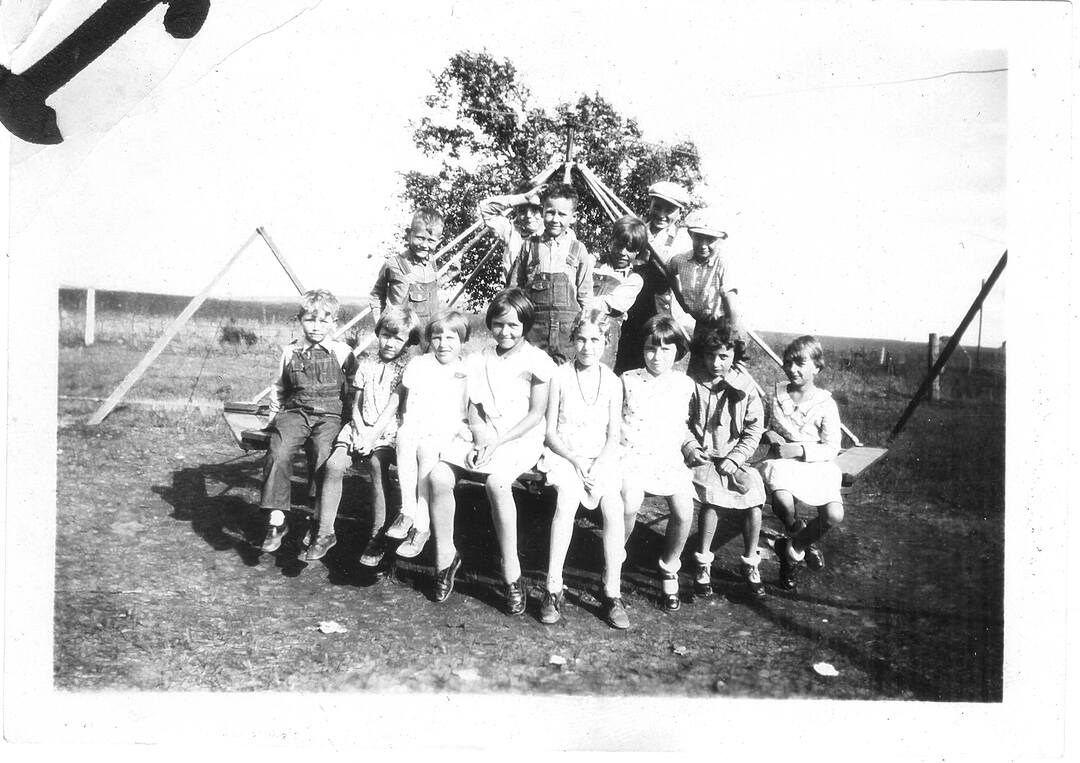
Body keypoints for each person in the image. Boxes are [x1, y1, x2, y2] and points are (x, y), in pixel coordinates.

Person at [427, 288, 555, 614]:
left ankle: (511, 573)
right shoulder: (480, 359)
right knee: (439, 475)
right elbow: (474, 406)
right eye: (498, 325)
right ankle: (445, 558)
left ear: (525, 323)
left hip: (520, 438)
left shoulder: (537, 361)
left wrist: (497, 442)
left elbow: (536, 414)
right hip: (483, 435)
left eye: (513, 325)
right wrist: (480, 439)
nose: (505, 332)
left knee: (497, 482)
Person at [535, 308, 628, 629]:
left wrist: (599, 465)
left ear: (606, 342)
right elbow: (550, 432)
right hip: (565, 456)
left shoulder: (614, 382)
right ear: (573, 340)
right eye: (582, 339)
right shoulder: (559, 376)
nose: (588, 347)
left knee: (615, 506)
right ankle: (552, 587)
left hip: (599, 458)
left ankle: (612, 591)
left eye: (596, 340)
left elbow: (613, 435)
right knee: (566, 502)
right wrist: (575, 461)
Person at [303, 307, 419, 565]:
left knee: (377, 465)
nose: (390, 343)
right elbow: (356, 403)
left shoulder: (407, 368)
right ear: (378, 334)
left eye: (398, 338)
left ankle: (377, 536)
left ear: (408, 341)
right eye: (386, 335)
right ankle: (324, 531)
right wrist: (358, 430)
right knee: (333, 465)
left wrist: (371, 437)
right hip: (361, 427)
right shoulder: (367, 364)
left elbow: (393, 406)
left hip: (387, 431)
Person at [258, 289, 356, 553]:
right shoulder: (291, 352)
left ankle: (317, 518)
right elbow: (279, 388)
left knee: (323, 453)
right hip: (296, 412)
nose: (316, 327)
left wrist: (350, 425)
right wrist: (273, 419)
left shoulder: (343, 353)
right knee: (278, 451)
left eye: (323, 320)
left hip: (330, 416)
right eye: (310, 320)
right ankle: (277, 521)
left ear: (334, 322)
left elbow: (352, 393)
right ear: (300, 320)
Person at [682, 320, 768, 599]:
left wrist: (737, 456)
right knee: (712, 503)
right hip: (704, 459)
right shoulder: (693, 385)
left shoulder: (745, 387)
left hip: (735, 459)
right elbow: (680, 423)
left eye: (723, 356)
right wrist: (692, 447)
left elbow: (754, 429)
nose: (716, 363)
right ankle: (703, 562)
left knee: (754, 501)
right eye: (710, 355)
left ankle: (750, 562)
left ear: (734, 356)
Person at [620, 316, 697, 612]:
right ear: (642, 349)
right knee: (630, 502)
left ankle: (669, 565)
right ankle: (616, 556)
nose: (657, 356)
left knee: (684, 509)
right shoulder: (628, 380)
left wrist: (690, 446)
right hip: (633, 454)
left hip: (666, 456)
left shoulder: (684, 384)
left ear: (678, 351)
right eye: (651, 349)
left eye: (666, 350)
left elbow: (682, 426)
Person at [384, 311, 472, 560]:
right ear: (429, 340)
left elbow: (465, 412)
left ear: (463, 340)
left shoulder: (466, 370)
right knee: (404, 435)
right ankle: (407, 511)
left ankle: (421, 527)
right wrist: (412, 426)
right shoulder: (419, 364)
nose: (443, 344)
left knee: (427, 450)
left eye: (451, 338)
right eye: (437, 337)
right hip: (419, 423)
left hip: (449, 430)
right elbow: (409, 405)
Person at [759, 336, 844, 590]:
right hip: (782, 463)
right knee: (783, 503)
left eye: (800, 363)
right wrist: (769, 434)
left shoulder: (825, 403)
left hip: (815, 464)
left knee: (833, 515)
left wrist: (800, 449)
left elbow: (832, 447)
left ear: (817, 367)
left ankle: (794, 548)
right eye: (788, 363)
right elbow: (759, 425)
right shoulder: (776, 395)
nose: (792, 369)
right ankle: (798, 535)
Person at [614, 180, 692, 374]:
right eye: (657, 207)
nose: (662, 214)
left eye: (670, 210)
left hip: (661, 311)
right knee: (627, 365)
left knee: (657, 364)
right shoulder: (637, 231)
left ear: (679, 213)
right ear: (650, 205)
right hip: (632, 310)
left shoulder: (682, 239)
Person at [509, 184, 593, 363]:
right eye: (550, 212)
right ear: (543, 211)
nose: (555, 219)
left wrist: (585, 327)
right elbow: (515, 288)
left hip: (568, 332)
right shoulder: (529, 246)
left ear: (573, 218)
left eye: (562, 214)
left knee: (564, 379)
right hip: (534, 330)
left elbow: (585, 295)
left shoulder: (578, 249)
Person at [666, 206, 745, 372]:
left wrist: (734, 333)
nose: (703, 245)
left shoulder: (723, 262)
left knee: (722, 367)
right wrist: (683, 303)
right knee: (697, 367)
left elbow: (730, 299)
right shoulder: (681, 261)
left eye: (710, 240)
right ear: (690, 235)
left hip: (724, 323)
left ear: (720, 240)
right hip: (701, 324)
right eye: (699, 238)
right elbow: (670, 273)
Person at [369, 207, 444, 332]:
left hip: (428, 336)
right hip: (401, 337)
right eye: (420, 238)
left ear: (439, 241)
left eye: (431, 240)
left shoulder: (432, 263)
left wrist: (449, 276)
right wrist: (380, 323)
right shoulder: (394, 264)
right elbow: (376, 295)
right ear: (409, 234)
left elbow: (430, 292)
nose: (424, 245)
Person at [593, 214, 646, 368]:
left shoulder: (634, 280)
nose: (622, 252)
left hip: (606, 340)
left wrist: (585, 301)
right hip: (580, 334)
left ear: (638, 252)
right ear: (611, 243)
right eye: (618, 245)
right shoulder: (593, 265)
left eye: (630, 249)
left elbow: (613, 303)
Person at [478, 183, 547, 283]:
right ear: (516, 213)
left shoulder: (554, 231)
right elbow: (485, 207)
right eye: (522, 211)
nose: (528, 215)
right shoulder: (511, 231)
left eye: (534, 209)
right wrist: (523, 198)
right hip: (514, 293)